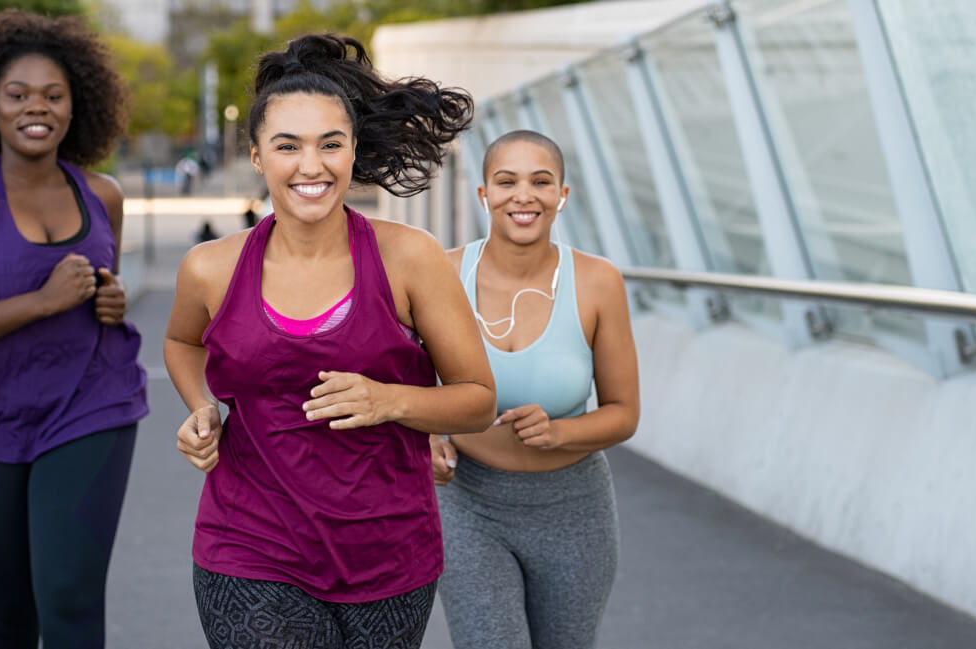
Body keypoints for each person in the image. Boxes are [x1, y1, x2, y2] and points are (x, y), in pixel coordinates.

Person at [164, 33, 496, 649]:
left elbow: (478, 400)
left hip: (388, 553)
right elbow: (184, 343)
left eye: (330, 145)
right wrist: (201, 407)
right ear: (259, 156)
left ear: (352, 152)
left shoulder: (409, 259)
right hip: (248, 543)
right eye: (288, 146)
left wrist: (390, 401)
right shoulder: (210, 267)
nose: (310, 166)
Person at [0, 10, 147, 649]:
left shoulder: (103, 194)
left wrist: (110, 301)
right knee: (10, 612)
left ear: (75, 107)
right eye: (17, 94)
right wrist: (40, 302)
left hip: (91, 408)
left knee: (69, 598)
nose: (35, 108)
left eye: (53, 95)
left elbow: (99, 288)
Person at [430, 130, 641, 649]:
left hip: (575, 509)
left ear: (561, 196)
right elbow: (405, 381)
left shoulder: (597, 282)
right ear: (484, 195)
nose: (523, 195)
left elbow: (624, 413)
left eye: (540, 182)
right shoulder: (442, 274)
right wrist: (425, 436)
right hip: (468, 505)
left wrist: (560, 432)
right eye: (506, 182)